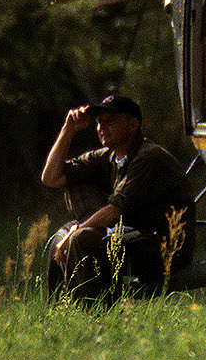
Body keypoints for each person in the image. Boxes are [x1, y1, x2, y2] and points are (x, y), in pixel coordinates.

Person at [40, 94, 196, 301]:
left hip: (165, 248)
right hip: (131, 235)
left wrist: (78, 231)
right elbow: (51, 178)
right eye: (99, 122)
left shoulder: (148, 157)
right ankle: (60, 309)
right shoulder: (107, 157)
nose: (102, 127)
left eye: (110, 121)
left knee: (80, 238)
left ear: (132, 125)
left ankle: (95, 314)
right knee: (60, 237)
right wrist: (67, 131)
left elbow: (115, 211)